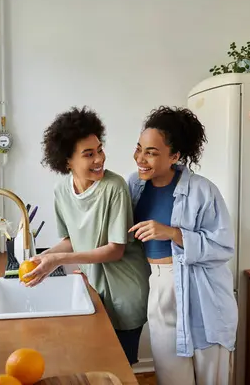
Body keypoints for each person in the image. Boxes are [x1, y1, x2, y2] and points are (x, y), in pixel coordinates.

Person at [23, 106, 150, 366]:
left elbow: (116, 250)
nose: (99, 159)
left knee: (120, 369)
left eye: (100, 150)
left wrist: (58, 260)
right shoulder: (61, 191)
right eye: (88, 154)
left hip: (125, 290)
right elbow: (72, 239)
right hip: (93, 288)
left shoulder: (114, 188)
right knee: (95, 364)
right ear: (67, 160)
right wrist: (43, 258)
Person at [128, 106, 238, 385]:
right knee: (170, 376)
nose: (141, 158)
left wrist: (173, 233)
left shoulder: (203, 190)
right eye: (139, 148)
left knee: (210, 377)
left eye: (151, 152)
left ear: (175, 156)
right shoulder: (135, 186)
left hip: (202, 290)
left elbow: (223, 247)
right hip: (160, 288)